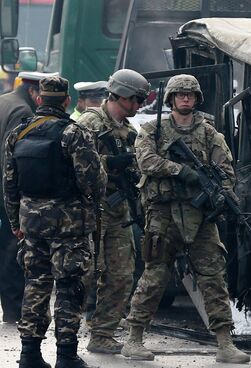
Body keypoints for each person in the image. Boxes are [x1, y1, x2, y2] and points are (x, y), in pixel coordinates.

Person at [121, 74, 250, 364]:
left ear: (197, 99)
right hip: (164, 213)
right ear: (171, 99)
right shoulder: (152, 130)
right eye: (180, 94)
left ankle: (225, 343)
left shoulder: (209, 134)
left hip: (199, 215)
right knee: (154, 276)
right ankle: (133, 338)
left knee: (214, 276)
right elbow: (146, 162)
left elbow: (226, 172)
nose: (186, 99)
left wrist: (221, 195)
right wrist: (181, 171)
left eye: (190, 95)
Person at [4, 76, 107, 368]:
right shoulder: (75, 134)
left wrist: (15, 221)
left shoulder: (19, 133)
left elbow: (9, 184)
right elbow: (94, 183)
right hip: (69, 227)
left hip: (32, 227)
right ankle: (66, 356)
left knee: (35, 285)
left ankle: (29, 355)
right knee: (68, 287)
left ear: (39, 99)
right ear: (66, 101)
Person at [76, 69, 148, 354]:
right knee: (86, 274)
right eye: (137, 99)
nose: (140, 105)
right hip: (90, 211)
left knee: (122, 273)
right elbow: (76, 163)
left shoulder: (130, 132)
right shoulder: (91, 122)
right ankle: (66, 331)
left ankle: (103, 333)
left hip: (118, 212)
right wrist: (109, 163)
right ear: (123, 95)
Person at [0, 71, 56, 324]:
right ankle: (13, 309)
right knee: (13, 249)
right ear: (35, 93)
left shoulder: (5, 100)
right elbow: (12, 157)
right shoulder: (23, 111)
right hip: (6, 192)